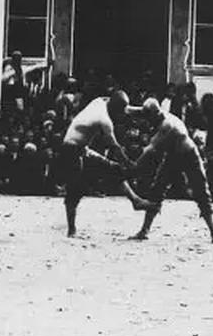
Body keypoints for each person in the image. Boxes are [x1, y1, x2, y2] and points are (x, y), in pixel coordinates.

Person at [57, 90, 154, 237]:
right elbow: (115, 147)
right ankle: (71, 230)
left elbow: (125, 108)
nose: (121, 116)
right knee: (75, 190)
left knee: (112, 168)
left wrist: (142, 110)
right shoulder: (103, 119)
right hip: (70, 150)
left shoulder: (100, 101)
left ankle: (135, 200)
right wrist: (129, 164)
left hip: (82, 149)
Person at [127, 99, 213, 243]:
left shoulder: (167, 125)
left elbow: (150, 150)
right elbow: (137, 111)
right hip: (173, 156)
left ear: (154, 115)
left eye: (149, 117)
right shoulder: (156, 113)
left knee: (201, 191)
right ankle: (144, 230)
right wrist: (121, 106)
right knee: (157, 189)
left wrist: (133, 167)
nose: (147, 121)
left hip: (190, 156)